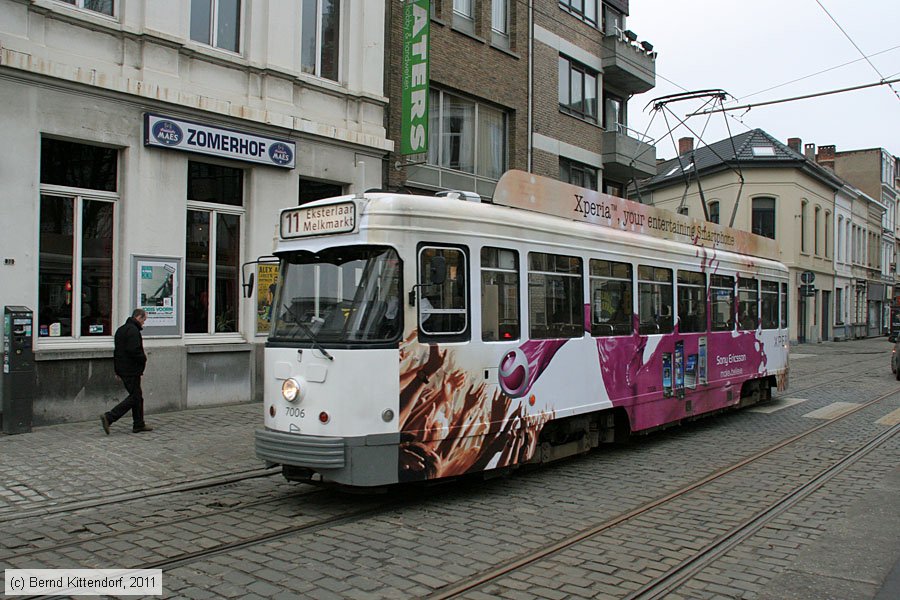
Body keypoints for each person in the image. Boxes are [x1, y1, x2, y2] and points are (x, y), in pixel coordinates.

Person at [101, 309, 153, 434]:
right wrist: (143, 358)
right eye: (144, 320)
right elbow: (134, 350)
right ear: (138, 317)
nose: (143, 323)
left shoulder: (121, 330)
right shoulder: (133, 331)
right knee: (135, 397)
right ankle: (109, 417)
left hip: (124, 369)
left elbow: (117, 353)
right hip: (131, 370)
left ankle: (139, 424)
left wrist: (117, 370)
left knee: (138, 397)